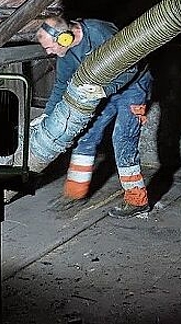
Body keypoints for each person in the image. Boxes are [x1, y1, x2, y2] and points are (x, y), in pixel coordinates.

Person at [33, 14, 153, 219]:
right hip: (104, 90)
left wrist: (105, 91)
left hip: (133, 85)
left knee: (122, 139)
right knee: (86, 135)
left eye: (50, 47)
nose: (48, 52)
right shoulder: (66, 54)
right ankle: (74, 193)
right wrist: (47, 116)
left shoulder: (100, 33)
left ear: (65, 37)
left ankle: (137, 200)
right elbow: (61, 86)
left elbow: (131, 66)